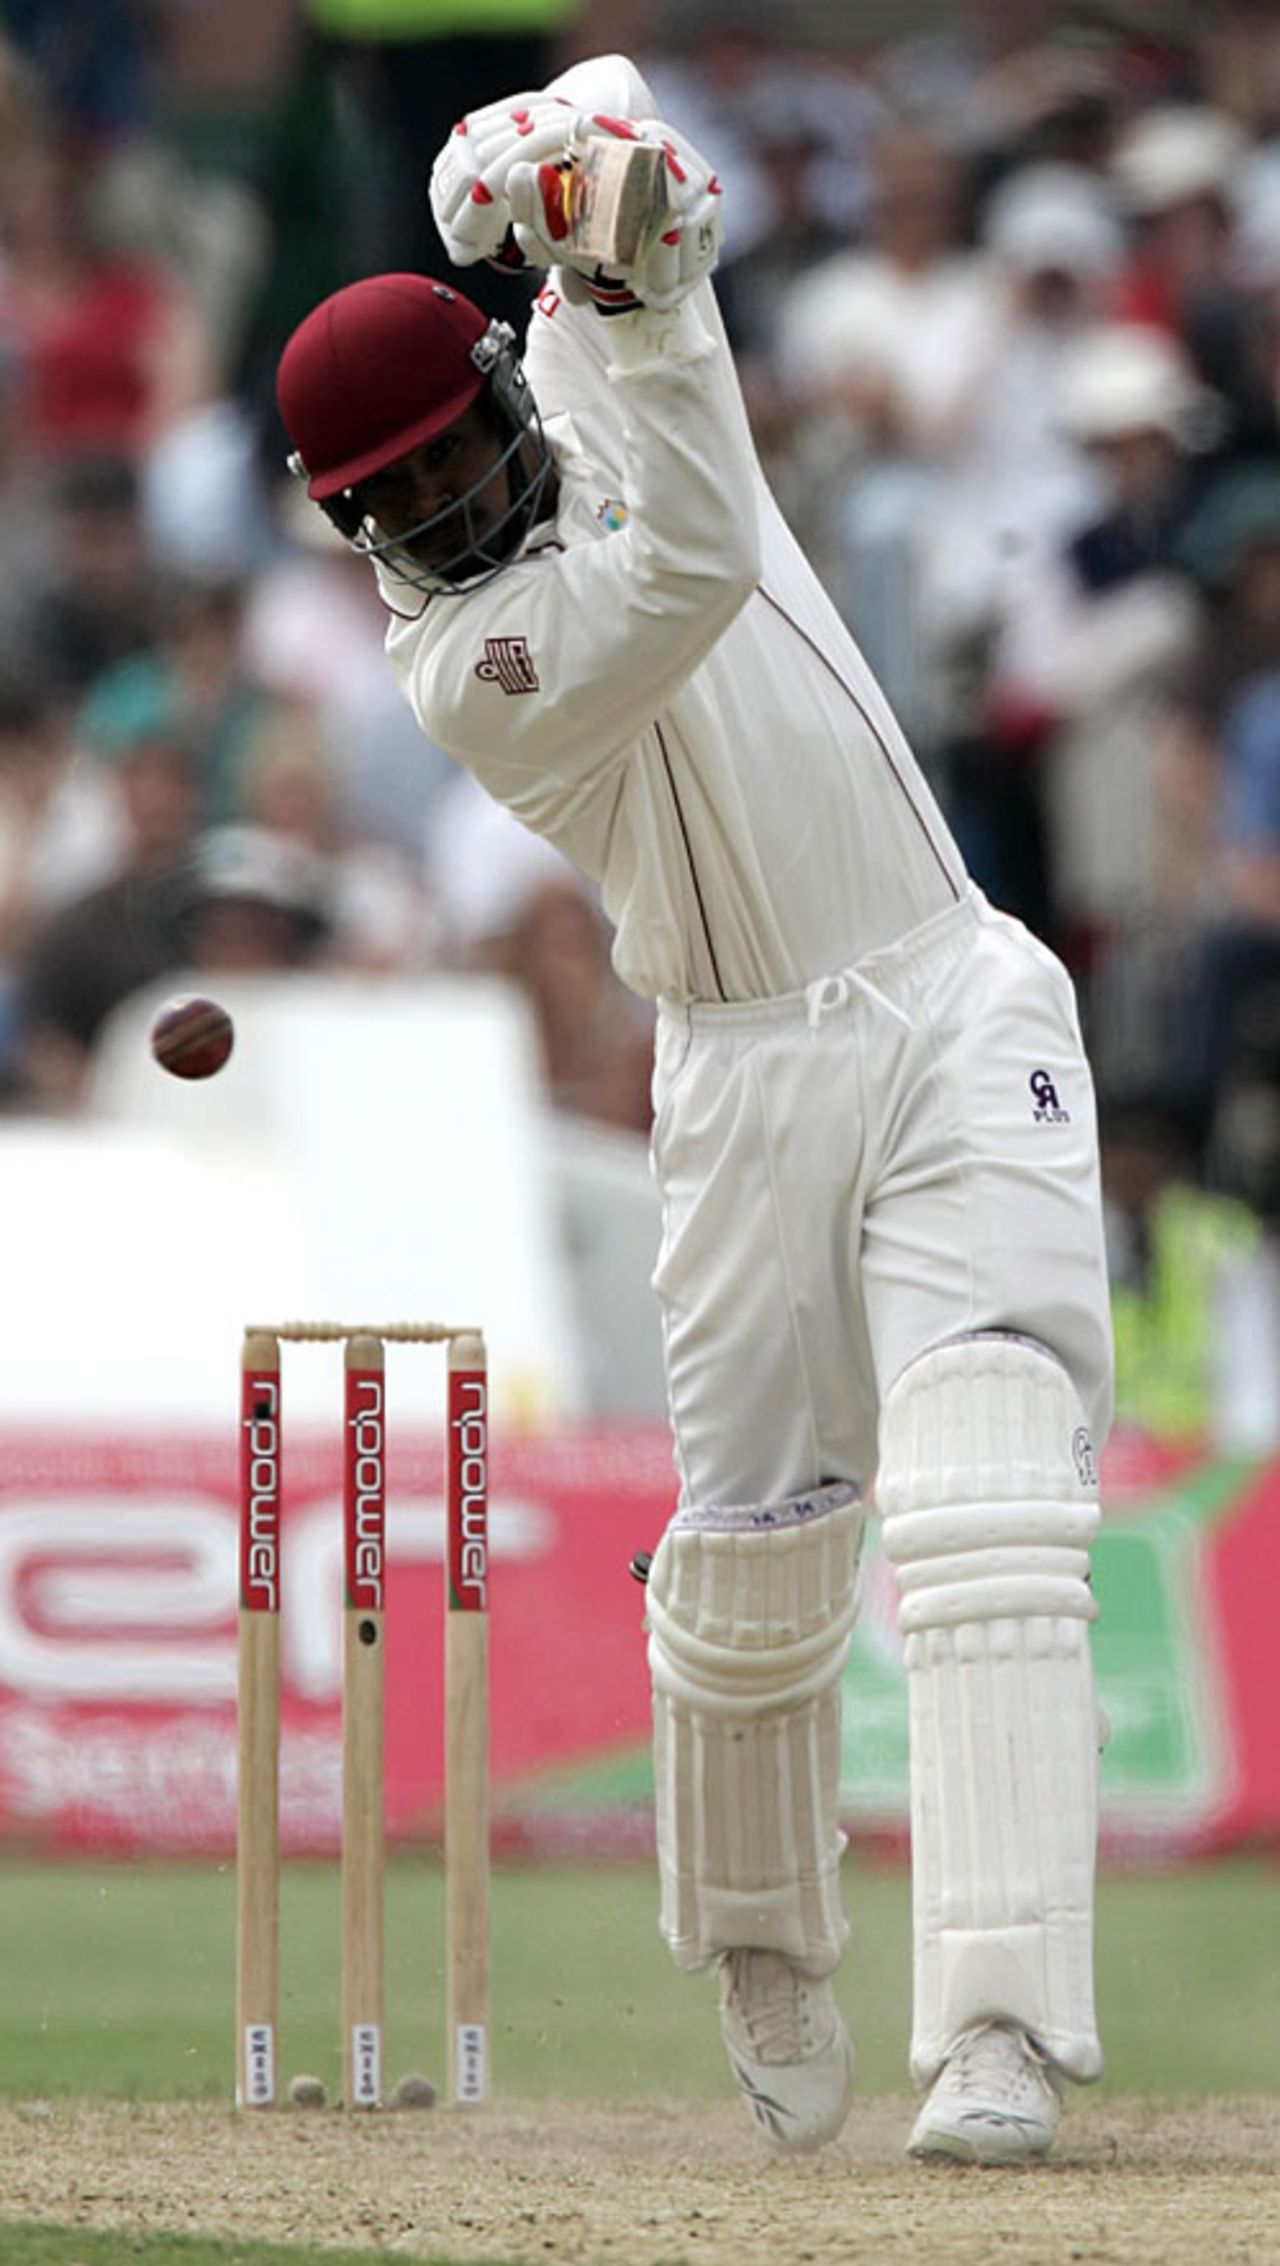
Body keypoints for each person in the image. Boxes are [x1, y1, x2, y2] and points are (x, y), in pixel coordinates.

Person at [275, 51, 1115, 2164]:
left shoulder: (565, 366)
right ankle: (759, 1926)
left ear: (488, 383)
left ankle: (1001, 2025)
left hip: (946, 983)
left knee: (991, 1487)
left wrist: (554, 160)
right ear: (359, 528)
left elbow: (631, 137)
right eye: (406, 507)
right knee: (751, 1576)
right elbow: (700, 543)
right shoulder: (473, 667)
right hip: (735, 1071)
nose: (458, 514)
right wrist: (637, 287)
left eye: (458, 460)